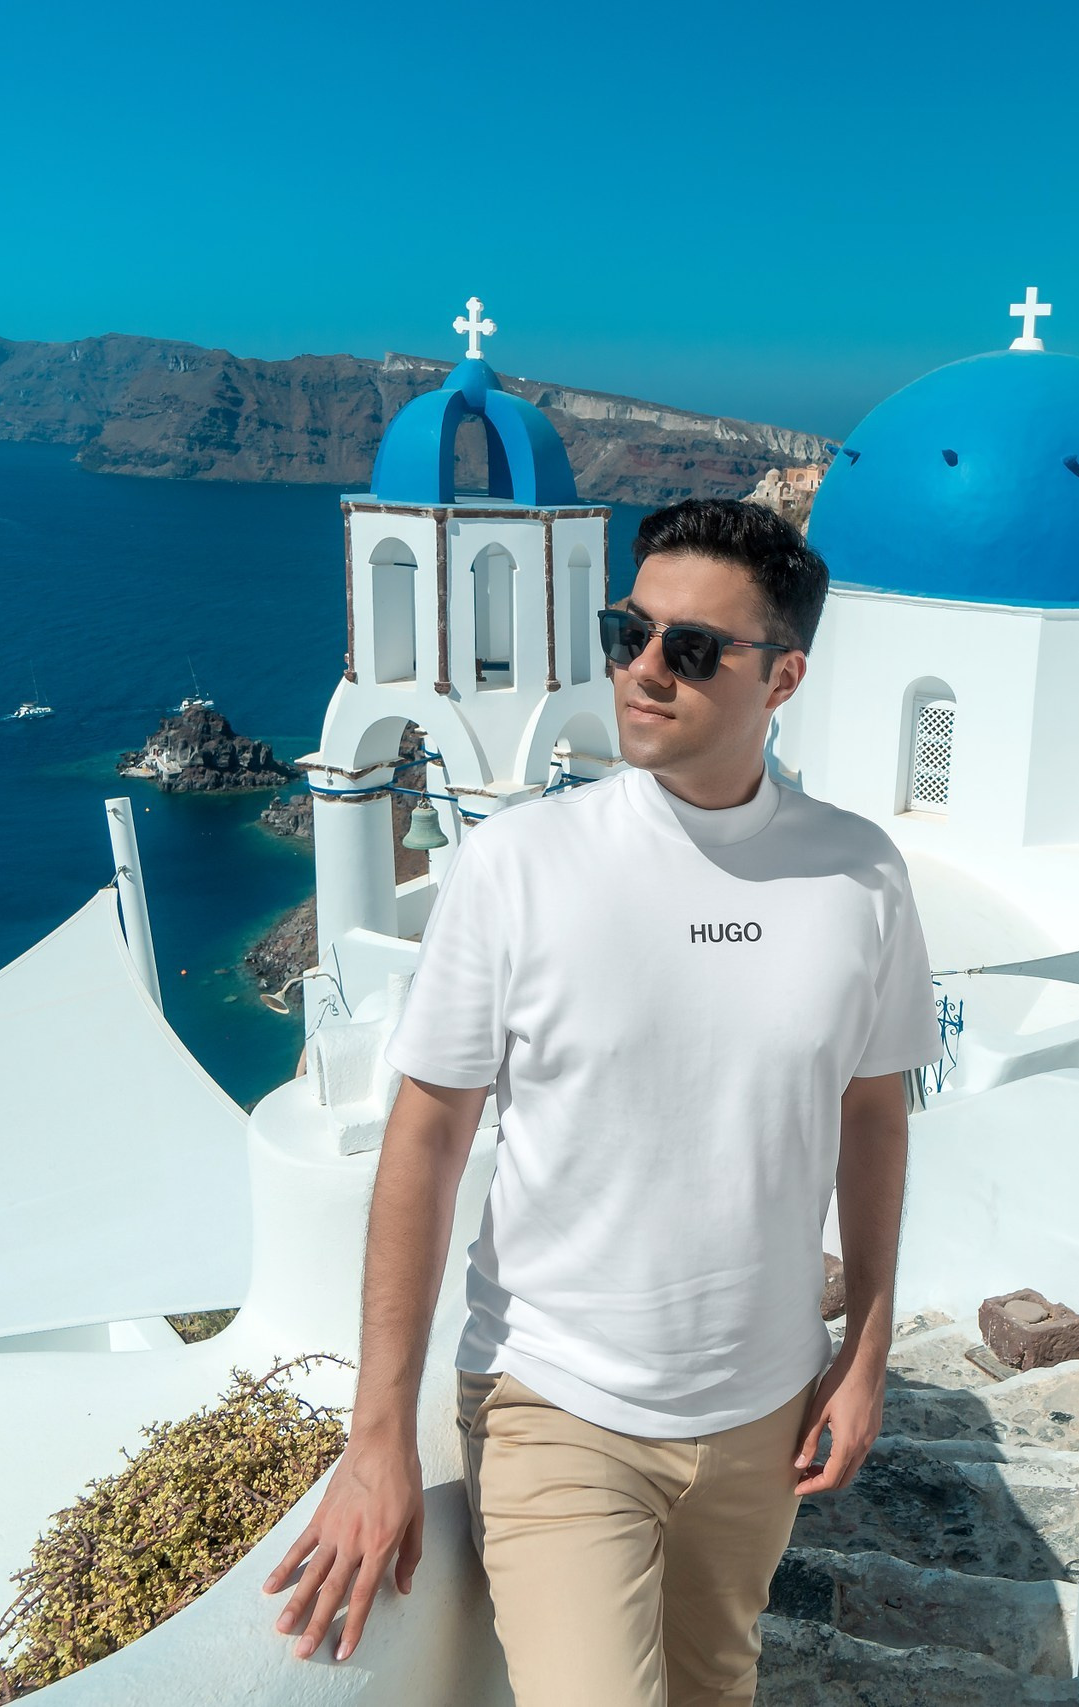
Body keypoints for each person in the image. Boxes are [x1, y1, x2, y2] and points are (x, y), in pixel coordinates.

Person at [265, 497, 939, 1706]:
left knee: (718, 1687)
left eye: (690, 651)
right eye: (626, 631)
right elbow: (423, 1142)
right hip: (555, 1404)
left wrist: (868, 1343)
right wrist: (376, 1439)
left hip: (761, 1412)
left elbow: (873, 1110)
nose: (641, 671)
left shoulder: (857, 874)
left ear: (782, 677)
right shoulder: (518, 866)